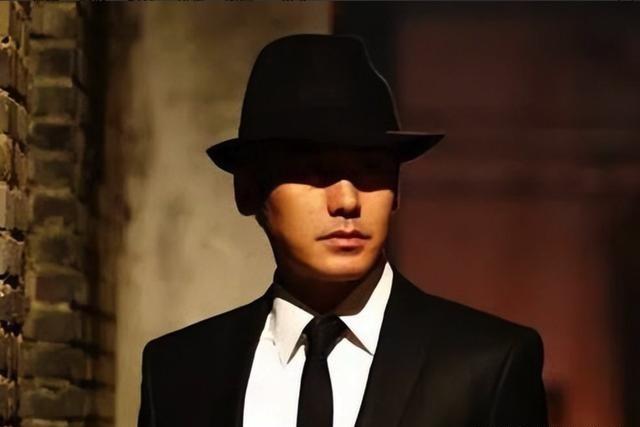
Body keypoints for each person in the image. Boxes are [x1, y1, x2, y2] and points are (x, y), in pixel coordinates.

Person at [137, 34, 548, 427]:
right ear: (248, 190)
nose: (348, 200)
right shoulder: (178, 370)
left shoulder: (486, 365)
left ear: (397, 189)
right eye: (314, 172)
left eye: (371, 170)